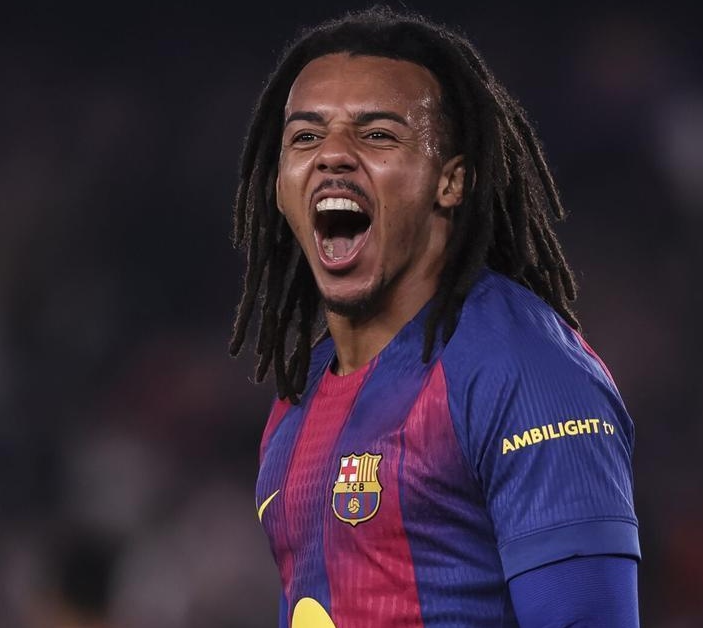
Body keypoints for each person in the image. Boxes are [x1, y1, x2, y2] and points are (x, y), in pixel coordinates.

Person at [229, 7, 639, 626]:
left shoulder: (523, 372)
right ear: (279, 184)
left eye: (377, 135)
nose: (333, 154)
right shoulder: (299, 396)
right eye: (306, 137)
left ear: (451, 182)